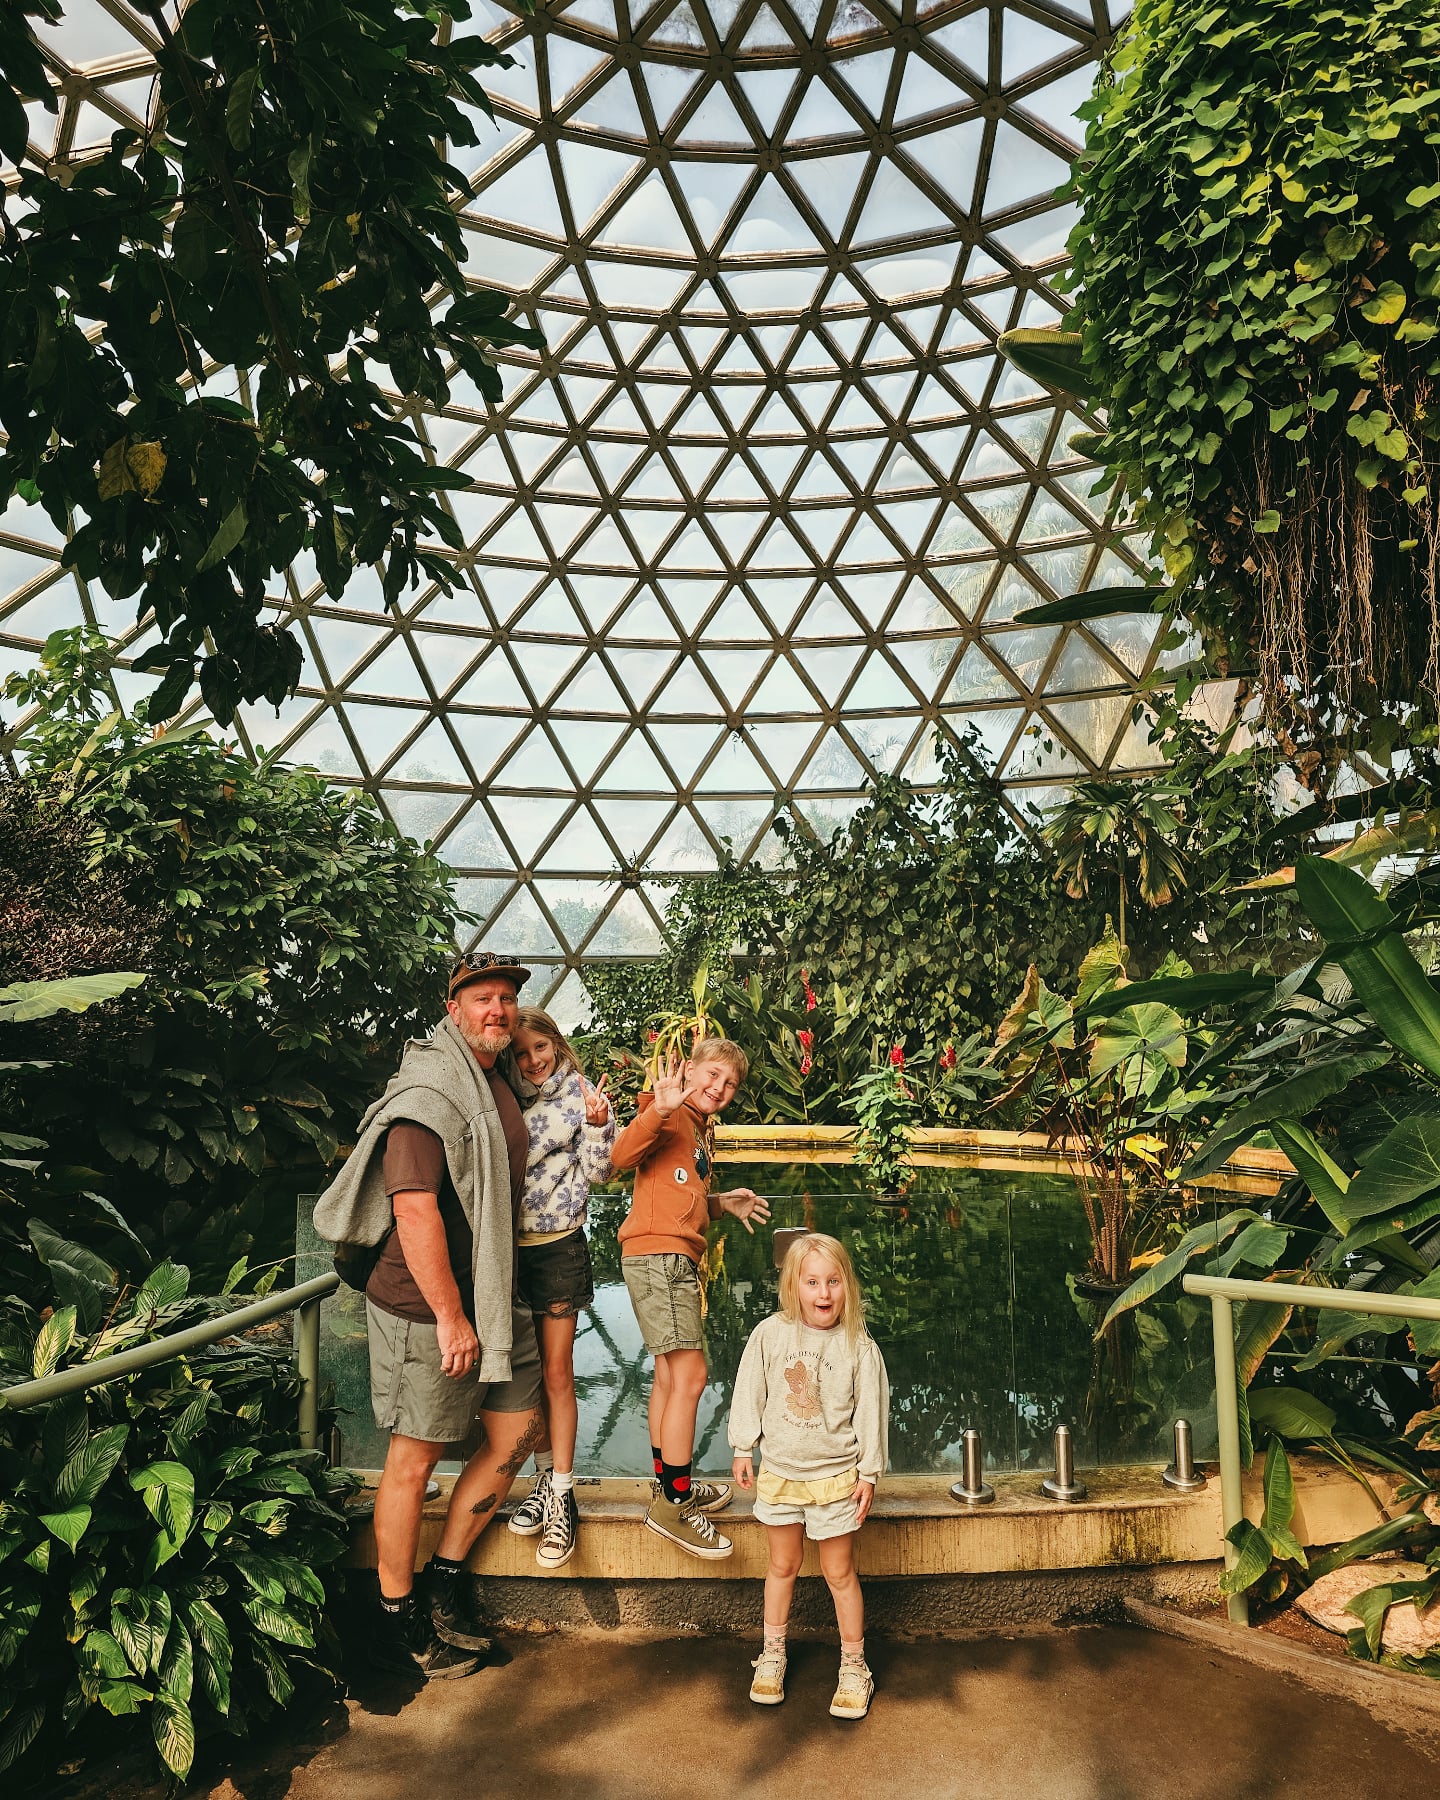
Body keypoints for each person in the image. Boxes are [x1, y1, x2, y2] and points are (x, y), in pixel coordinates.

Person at [312, 950, 544, 1680]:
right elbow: (414, 1215)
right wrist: (452, 1317)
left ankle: (444, 1580)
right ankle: (398, 1618)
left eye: (506, 997)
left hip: (495, 1299)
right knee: (411, 1461)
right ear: (453, 1008)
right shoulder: (429, 1096)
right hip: (427, 1309)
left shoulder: (493, 1075)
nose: (498, 1009)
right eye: (483, 998)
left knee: (514, 1431)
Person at [611, 1040, 771, 1559]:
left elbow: (678, 1196)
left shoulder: (697, 1131)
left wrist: (721, 1203)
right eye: (712, 1075)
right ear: (689, 1070)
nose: (718, 1089)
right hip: (659, 1257)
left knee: (667, 1375)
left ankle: (667, 1483)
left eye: (729, 1085)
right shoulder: (668, 1111)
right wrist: (660, 1106)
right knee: (691, 1376)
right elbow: (619, 1157)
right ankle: (673, 1506)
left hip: (666, 1254)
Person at [730, 1232, 889, 1721]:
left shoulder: (859, 1347)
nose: (824, 1293)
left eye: (834, 1282)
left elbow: (872, 1414)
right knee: (782, 1566)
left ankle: (854, 1665)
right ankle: (772, 1654)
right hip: (780, 1473)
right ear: (794, 1286)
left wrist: (869, 1472)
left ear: (848, 1286)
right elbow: (749, 1391)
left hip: (835, 1479)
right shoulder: (770, 1335)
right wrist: (742, 1446)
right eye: (813, 1282)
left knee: (839, 1573)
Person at [503, 1006, 614, 1568]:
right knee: (520, 1378)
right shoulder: (505, 1093)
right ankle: (543, 1480)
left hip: (558, 1249)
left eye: (540, 1049)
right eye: (522, 1054)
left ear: (556, 1043)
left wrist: (597, 1124)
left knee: (555, 1372)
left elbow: (600, 1174)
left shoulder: (581, 1095)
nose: (533, 1061)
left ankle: (563, 1492)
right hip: (505, 1252)